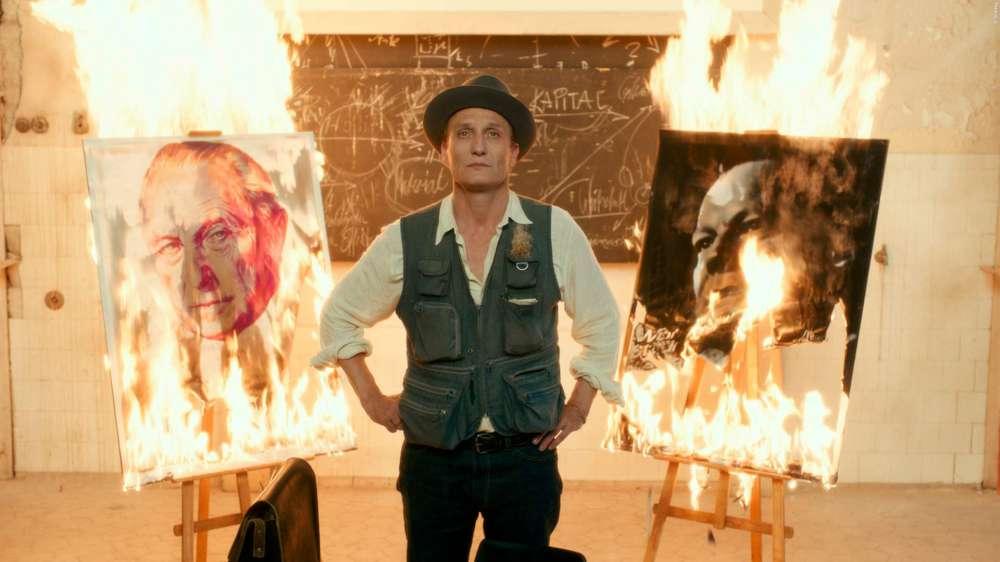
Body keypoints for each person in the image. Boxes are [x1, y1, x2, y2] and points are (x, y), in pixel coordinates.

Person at [312, 75, 622, 562]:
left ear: (513, 153)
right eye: (464, 133)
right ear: (443, 151)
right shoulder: (405, 238)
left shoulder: (552, 231)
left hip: (525, 458)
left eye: (493, 134)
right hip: (434, 463)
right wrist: (371, 399)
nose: (478, 146)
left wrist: (580, 406)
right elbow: (338, 316)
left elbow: (602, 322)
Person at [139, 141, 289, 402]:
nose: (197, 278)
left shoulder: (305, 303)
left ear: (273, 231)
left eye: (218, 235)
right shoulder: (148, 371)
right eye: (170, 246)